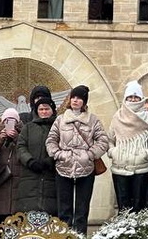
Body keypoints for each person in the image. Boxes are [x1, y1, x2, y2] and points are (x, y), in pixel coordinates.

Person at [44, 86, 107, 234]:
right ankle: (64, 236)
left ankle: (80, 236)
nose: (75, 100)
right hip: (63, 167)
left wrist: (90, 155)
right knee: (64, 210)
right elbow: (51, 140)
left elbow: (103, 141)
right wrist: (59, 154)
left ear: (84, 101)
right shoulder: (60, 120)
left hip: (86, 168)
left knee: (82, 210)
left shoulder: (93, 120)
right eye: (73, 97)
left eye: (79, 98)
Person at [109, 82, 148, 214]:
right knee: (123, 207)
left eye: (136, 97)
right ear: (125, 98)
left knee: (139, 206)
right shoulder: (117, 117)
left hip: (141, 168)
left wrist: (145, 154)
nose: (133, 100)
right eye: (130, 97)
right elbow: (109, 140)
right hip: (120, 167)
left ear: (141, 99)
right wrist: (113, 152)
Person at [16, 94, 58, 215]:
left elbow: (63, 145)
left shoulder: (58, 127)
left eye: (47, 109)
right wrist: (30, 161)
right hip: (30, 176)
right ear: (36, 111)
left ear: (52, 110)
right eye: (41, 109)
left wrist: (51, 160)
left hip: (51, 175)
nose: (44, 112)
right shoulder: (28, 128)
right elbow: (21, 146)